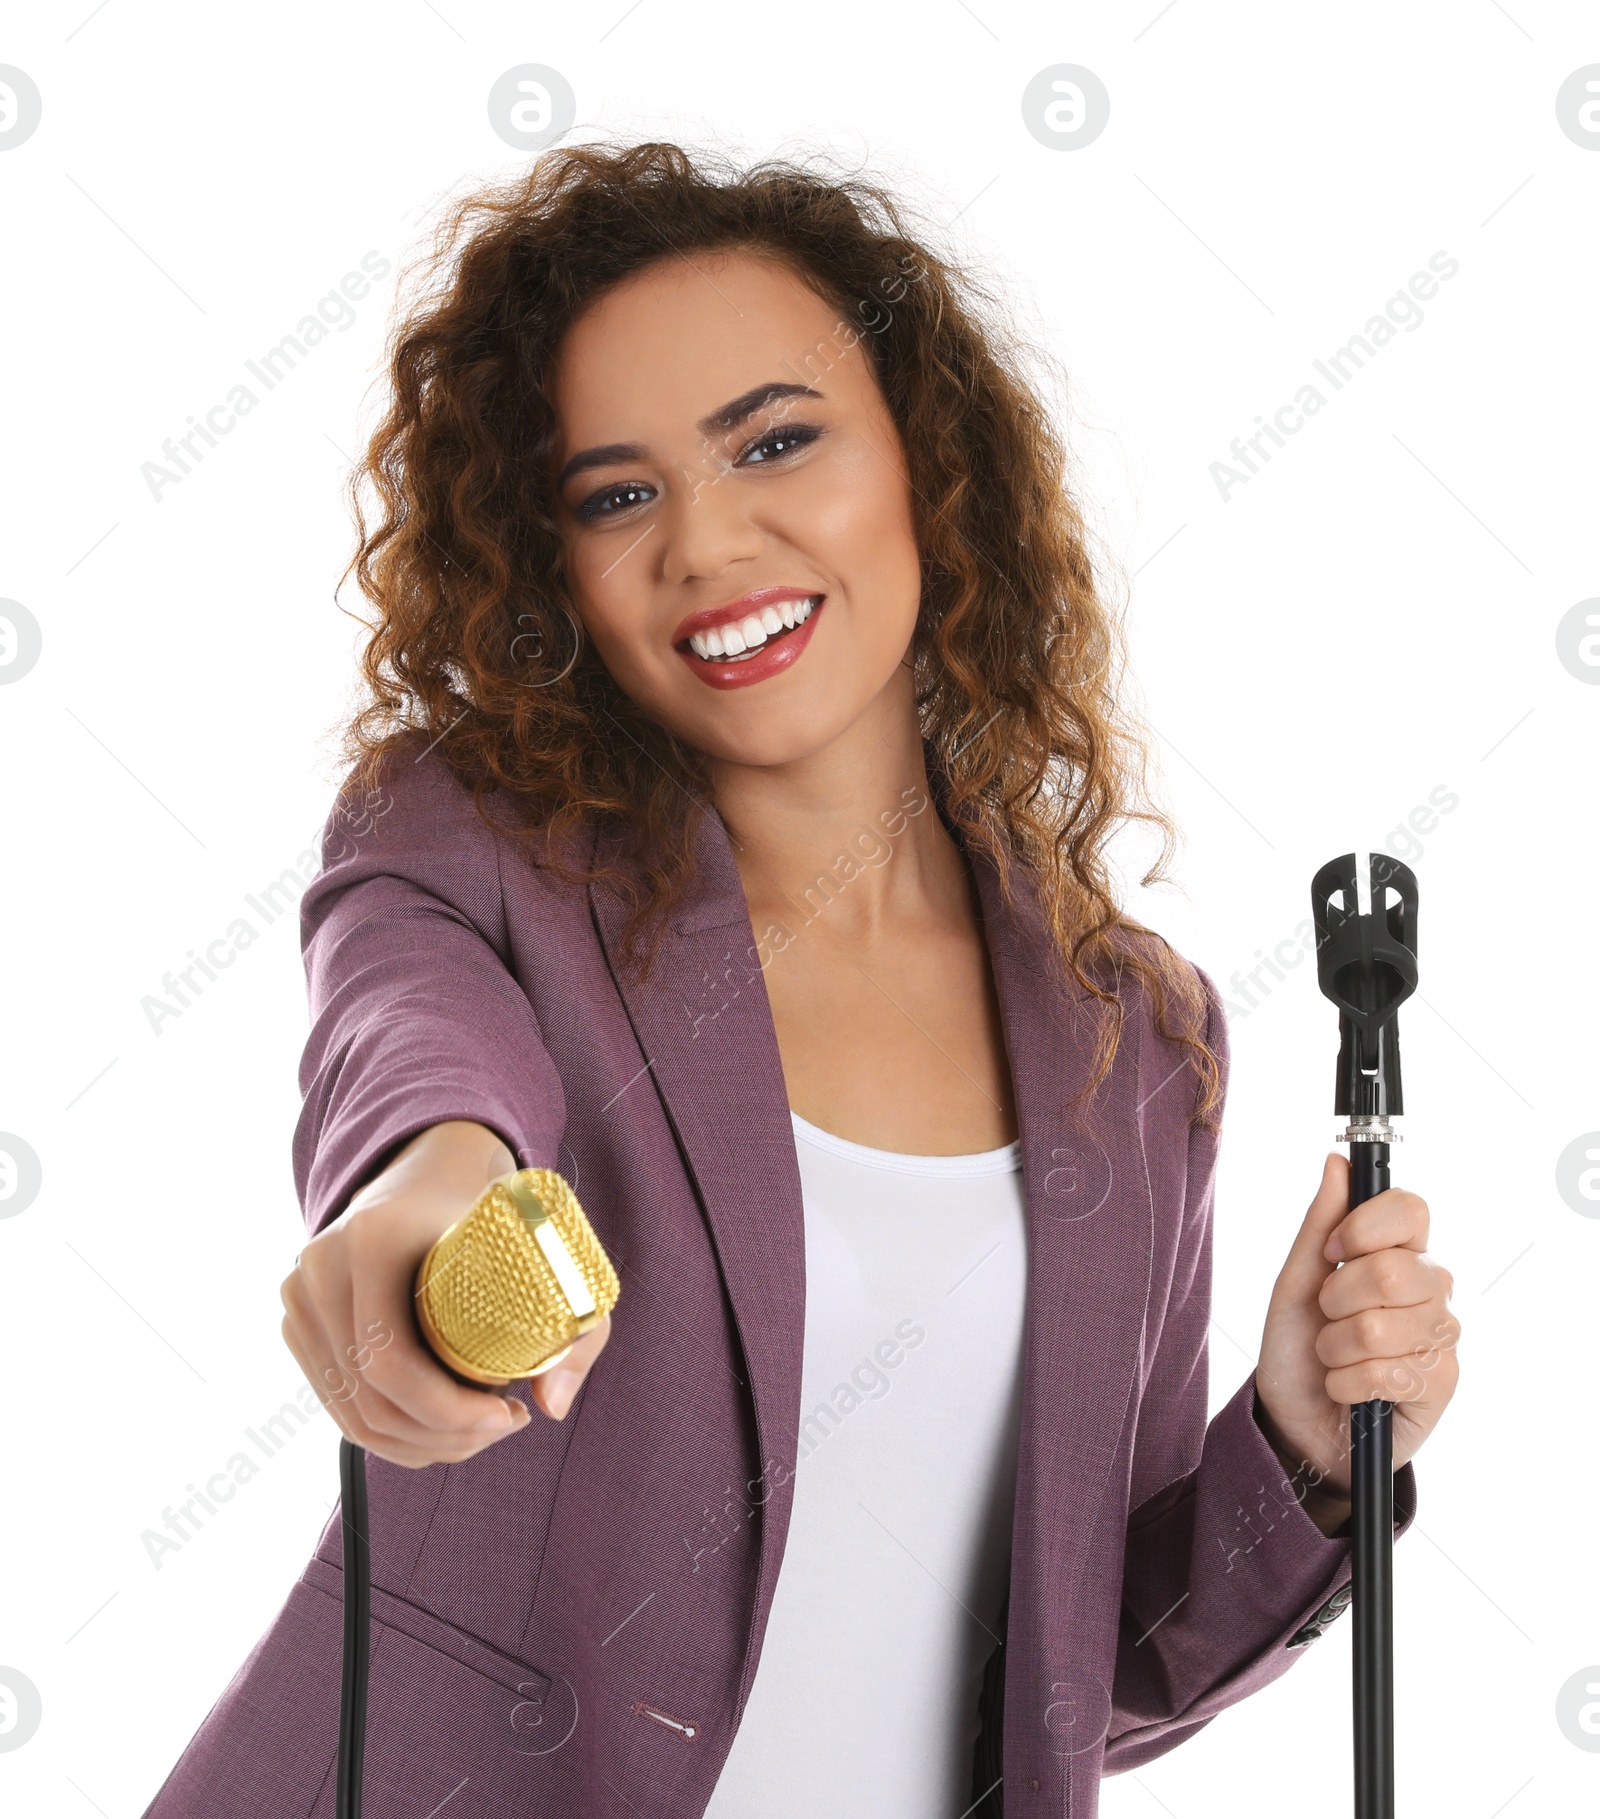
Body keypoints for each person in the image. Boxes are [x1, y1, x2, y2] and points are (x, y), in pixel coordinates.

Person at [141, 140, 1459, 1819]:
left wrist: (1301, 1446)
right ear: (556, 570)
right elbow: (411, 1049)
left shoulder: (1136, 1033)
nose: (705, 541)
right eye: (615, 495)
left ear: (929, 462)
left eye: (776, 440)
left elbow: (1090, 1679)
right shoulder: (475, 842)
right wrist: (432, 1199)